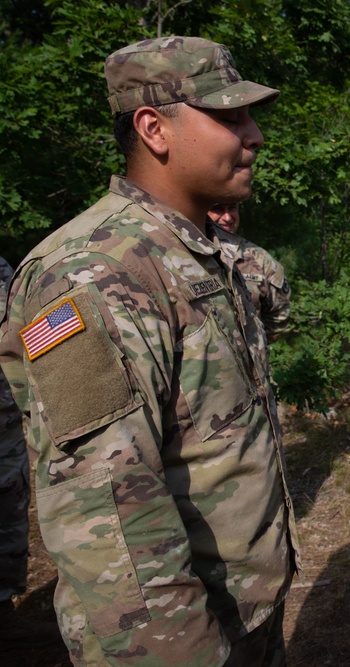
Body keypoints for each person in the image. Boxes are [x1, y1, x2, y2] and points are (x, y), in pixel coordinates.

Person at [0, 36, 299, 666]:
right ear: (153, 128)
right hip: (175, 640)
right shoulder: (92, 276)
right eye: (229, 117)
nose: (255, 136)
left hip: (243, 612)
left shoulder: (195, 255)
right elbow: (108, 520)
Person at [0, 255, 63, 650]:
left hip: (4, 417)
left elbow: (27, 324)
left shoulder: (5, 269)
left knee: (9, 505)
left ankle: (3, 614)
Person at [207, 203, 291, 341]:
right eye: (217, 209)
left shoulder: (261, 260)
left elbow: (279, 316)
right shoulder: (183, 258)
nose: (227, 217)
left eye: (232, 208)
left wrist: (256, 345)